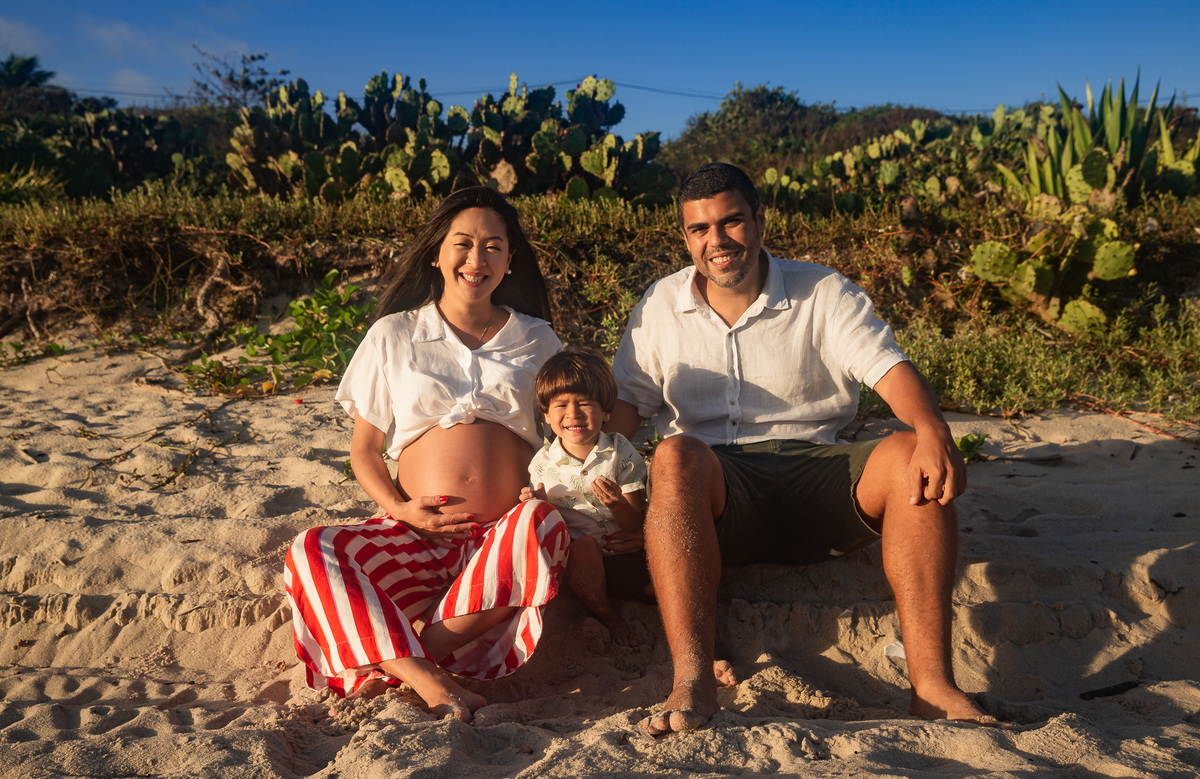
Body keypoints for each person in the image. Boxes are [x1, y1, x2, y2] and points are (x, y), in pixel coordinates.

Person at [609, 163, 1006, 735]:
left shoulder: (821, 289)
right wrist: (590, 482)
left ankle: (933, 686)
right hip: (718, 490)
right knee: (673, 456)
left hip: (818, 473)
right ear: (686, 237)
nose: (717, 242)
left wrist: (933, 430)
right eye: (700, 230)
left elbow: (887, 367)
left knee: (904, 453)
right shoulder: (660, 304)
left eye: (731, 222)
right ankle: (692, 680)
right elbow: (626, 406)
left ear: (759, 221)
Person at [284, 186, 569, 724]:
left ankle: (409, 658)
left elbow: (562, 438)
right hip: (413, 537)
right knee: (313, 547)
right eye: (462, 244)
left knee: (542, 522)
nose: (476, 259)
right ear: (438, 252)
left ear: (510, 261)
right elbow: (365, 452)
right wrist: (402, 510)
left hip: (499, 545)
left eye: (493, 247)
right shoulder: (394, 334)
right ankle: (425, 678)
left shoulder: (538, 341)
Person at [520, 348, 649, 647]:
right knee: (584, 549)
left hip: (626, 556)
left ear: (606, 412)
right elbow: (545, 525)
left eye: (585, 403)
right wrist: (536, 502)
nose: (573, 413)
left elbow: (634, 525)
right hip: (579, 564)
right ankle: (609, 616)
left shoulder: (620, 452)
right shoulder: (541, 464)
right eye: (561, 404)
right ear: (547, 415)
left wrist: (617, 504)